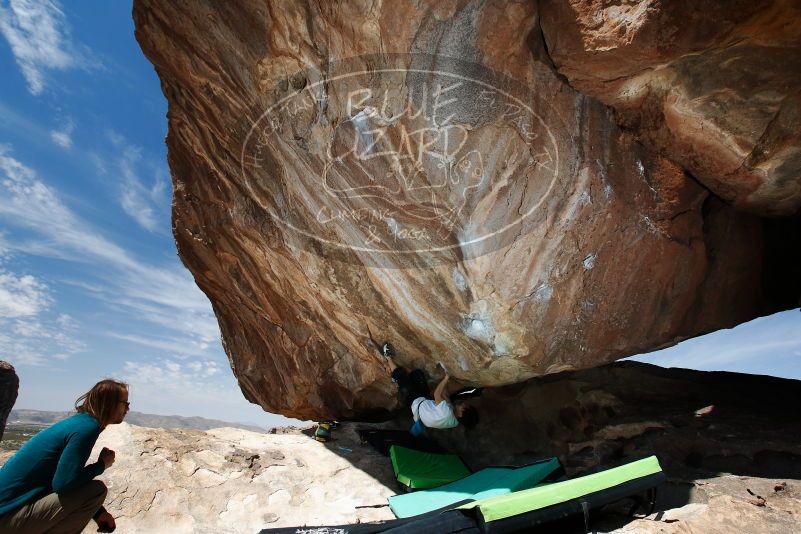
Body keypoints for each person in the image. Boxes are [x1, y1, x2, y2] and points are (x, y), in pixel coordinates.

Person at [0, 379, 130, 534]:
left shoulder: (79, 422)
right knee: (97, 490)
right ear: (110, 403)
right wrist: (101, 465)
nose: (128, 409)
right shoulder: (87, 429)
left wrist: (99, 513)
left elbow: (57, 479)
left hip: (9, 510)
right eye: (125, 403)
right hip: (6, 517)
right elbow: (63, 484)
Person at [381, 342, 478, 430]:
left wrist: (447, 377)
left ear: (460, 414)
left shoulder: (446, 413)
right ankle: (402, 383)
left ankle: (388, 358)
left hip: (416, 404)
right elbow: (445, 398)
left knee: (401, 375)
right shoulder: (455, 422)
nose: (463, 403)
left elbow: (437, 395)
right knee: (417, 374)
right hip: (425, 403)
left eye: (464, 406)